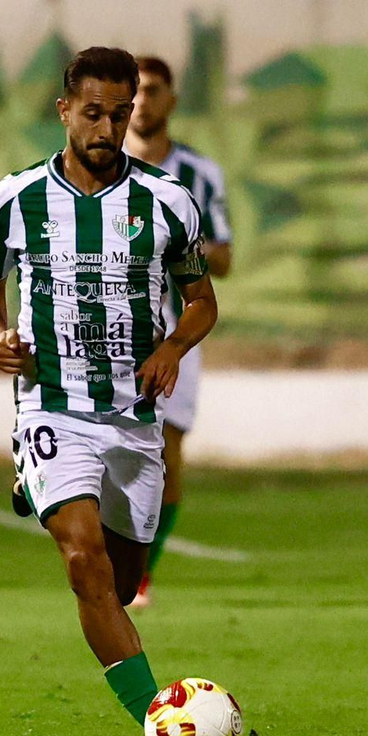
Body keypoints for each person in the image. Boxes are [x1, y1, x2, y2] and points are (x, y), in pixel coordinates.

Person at [0, 46, 217, 731]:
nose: (105, 129)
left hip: (134, 418)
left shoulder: (167, 202)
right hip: (52, 403)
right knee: (85, 561)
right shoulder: (15, 198)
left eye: (119, 114)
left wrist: (172, 346)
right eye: (91, 114)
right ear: (63, 111)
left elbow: (202, 299)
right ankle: (159, 722)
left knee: (126, 573)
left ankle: (36, 482)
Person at [121, 55, 233, 608]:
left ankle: (142, 573)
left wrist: (184, 250)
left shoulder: (199, 174)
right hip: (111, 330)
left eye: (153, 90)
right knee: (111, 452)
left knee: (165, 452)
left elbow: (226, 256)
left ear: (171, 100)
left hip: (177, 331)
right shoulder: (100, 168)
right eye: (135, 91)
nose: (143, 100)